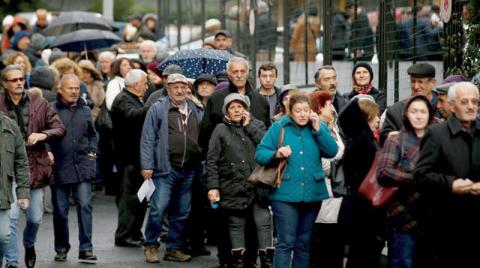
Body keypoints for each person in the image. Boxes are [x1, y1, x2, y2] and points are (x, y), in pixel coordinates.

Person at [255, 92, 338, 268]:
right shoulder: (280, 127)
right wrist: (276, 153)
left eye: (306, 110)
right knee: (286, 242)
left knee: (304, 243)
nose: (302, 114)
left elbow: (332, 151)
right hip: (284, 193)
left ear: (311, 111)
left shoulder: (317, 127)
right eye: (298, 110)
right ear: (290, 111)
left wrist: (318, 129)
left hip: (312, 193)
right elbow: (260, 154)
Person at [0, 65, 66, 268]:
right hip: (7, 167)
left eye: (21, 78)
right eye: (14, 80)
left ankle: (29, 245)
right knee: (10, 219)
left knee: (35, 218)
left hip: (34, 166)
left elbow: (60, 128)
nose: (19, 82)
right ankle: (12, 261)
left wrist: (43, 135)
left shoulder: (39, 102)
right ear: (4, 84)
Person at [413, 82, 480, 268]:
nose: (471, 106)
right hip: (445, 226)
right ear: (451, 105)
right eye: (464, 101)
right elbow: (420, 175)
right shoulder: (437, 134)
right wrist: (451, 184)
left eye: (475, 102)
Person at [140, 73, 203, 263]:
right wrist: (147, 165)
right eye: (175, 86)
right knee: (159, 208)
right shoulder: (158, 109)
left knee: (183, 211)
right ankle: (151, 245)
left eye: (183, 86)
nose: (179, 90)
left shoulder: (195, 108)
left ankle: (173, 248)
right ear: (167, 89)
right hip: (165, 167)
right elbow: (148, 138)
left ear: (188, 89)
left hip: (189, 168)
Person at [206, 93, 273, 268]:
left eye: (240, 106)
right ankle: (238, 261)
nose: (237, 110)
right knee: (235, 224)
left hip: (257, 184)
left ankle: (266, 260)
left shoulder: (257, 125)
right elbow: (212, 161)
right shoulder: (220, 129)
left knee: (263, 222)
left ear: (246, 109)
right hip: (231, 185)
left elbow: (267, 146)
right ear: (226, 111)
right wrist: (213, 186)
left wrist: (249, 126)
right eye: (232, 107)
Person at [377, 95, 434, 268]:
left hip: (432, 217)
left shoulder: (437, 139)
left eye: (423, 111)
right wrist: (415, 177)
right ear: (406, 114)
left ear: (429, 115)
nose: (418, 116)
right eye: (414, 111)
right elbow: (384, 172)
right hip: (402, 216)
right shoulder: (397, 139)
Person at [48, 74, 98, 263]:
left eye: (77, 88)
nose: (74, 91)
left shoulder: (85, 109)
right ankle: (61, 248)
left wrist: (92, 153)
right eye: (70, 88)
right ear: (60, 89)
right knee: (60, 210)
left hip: (83, 166)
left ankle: (86, 248)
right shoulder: (50, 109)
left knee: (85, 206)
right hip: (59, 167)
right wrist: (47, 152)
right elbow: (44, 134)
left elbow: (93, 135)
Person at [338, 96, 384, 268]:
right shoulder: (362, 141)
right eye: (375, 115)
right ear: (365, 118)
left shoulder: (361, 138)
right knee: (364, 253)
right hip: (364, 206)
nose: (379, 119)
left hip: (361, 205)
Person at [110, 69, 150, 248]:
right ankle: (124, 235)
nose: (147, 86)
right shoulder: (123, 99)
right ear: (135, 85)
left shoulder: (132, 98)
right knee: (130, 199)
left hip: (136, 157)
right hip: (128, 158)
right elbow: (132, 116)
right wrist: (152, 106)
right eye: (145, 83)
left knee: (140, 199)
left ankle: (134, 232)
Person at [199, 57, 270, 153]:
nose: (239, 75)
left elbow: (268, 134)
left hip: (256, 161)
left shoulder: (261, 100)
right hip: (224, 162)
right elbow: (205, 134)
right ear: (229, 74)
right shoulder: (216, 99)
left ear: (247, 73)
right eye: (235, 72)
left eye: (243, 71)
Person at [309, 90, 346, 268]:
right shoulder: (317, 130)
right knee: (323, 244)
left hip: (337, 193)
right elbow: (323, 163)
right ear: (319, 108)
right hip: (325, 192)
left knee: (334, 243)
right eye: (329, 104)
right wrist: (342, 164)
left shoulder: (332, 129)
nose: (332, 107)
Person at [380, 63, 438, 144]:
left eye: (420, 82)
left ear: (432, 82)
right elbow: (384, 139)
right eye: (413, 81)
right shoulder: (396, 110)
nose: (416, 86)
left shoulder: (443, 108)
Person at [0, 112, 30, 268]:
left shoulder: (10, 126)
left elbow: (21, 162)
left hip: (3, 192)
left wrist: (23, 192)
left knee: (4, 236)